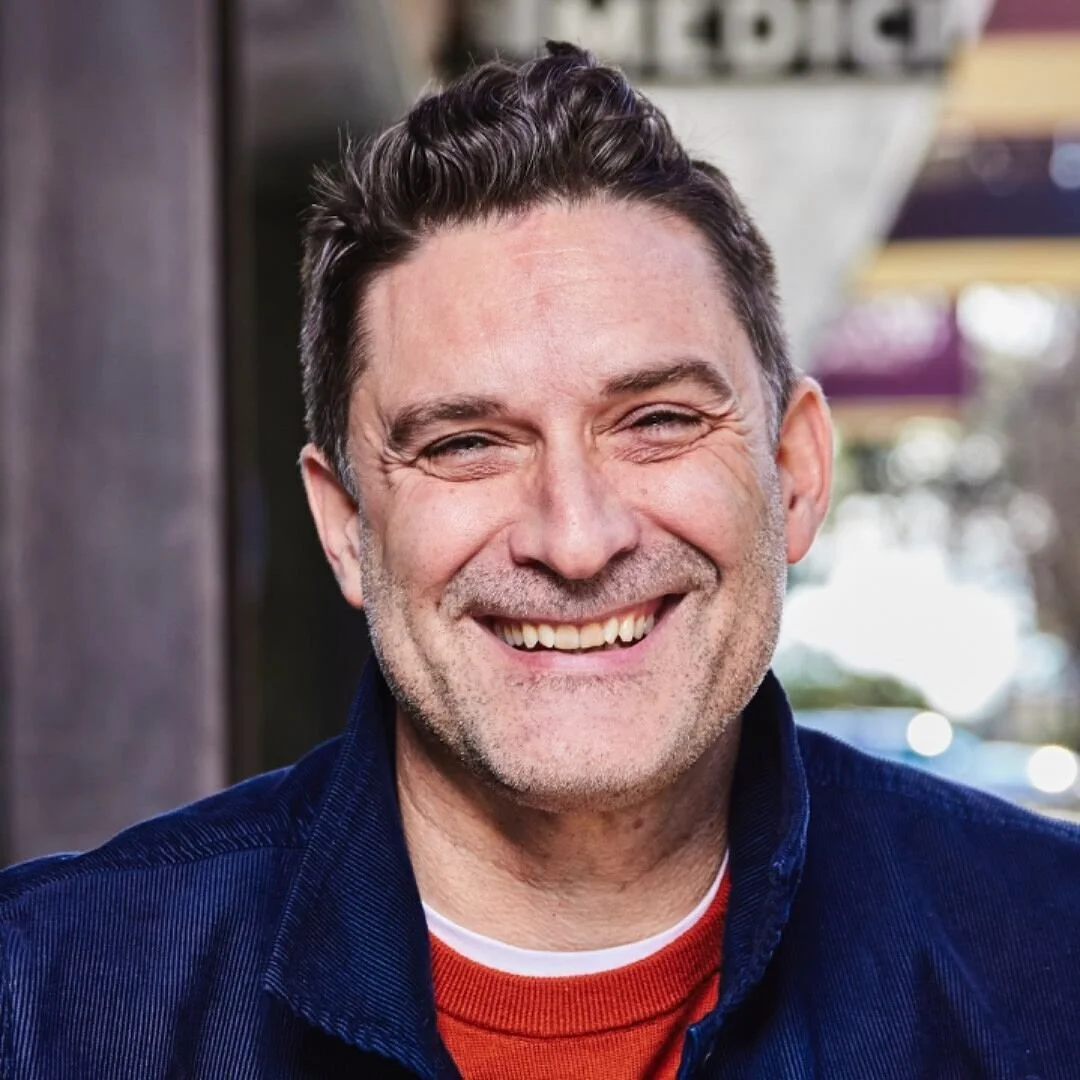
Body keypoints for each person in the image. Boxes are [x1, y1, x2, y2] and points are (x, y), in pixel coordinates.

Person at [1, 42, 1078, 1080]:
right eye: (467, 443)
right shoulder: (45, 1006)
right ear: (345, 527)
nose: (576, 538)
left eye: (656, 420)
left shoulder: (1051, 964)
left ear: (793, 470)